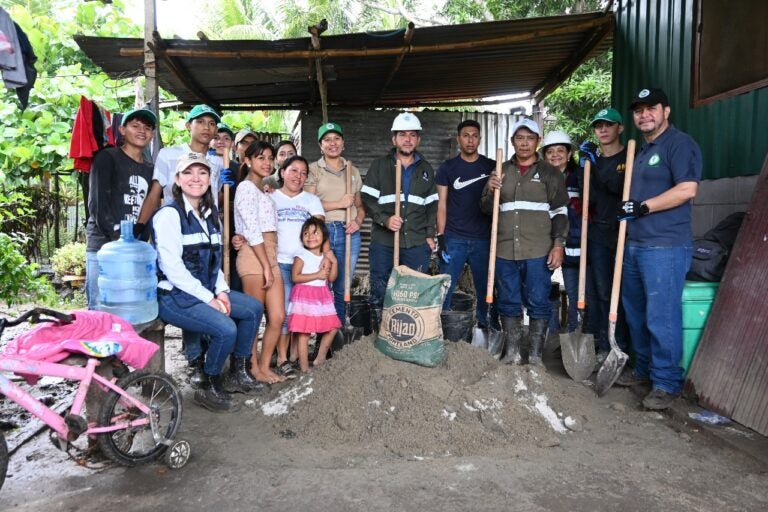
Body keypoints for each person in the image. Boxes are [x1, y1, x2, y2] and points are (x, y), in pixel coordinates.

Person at [152, 153, 266, 413]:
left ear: (209, 180)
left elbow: (214, 262)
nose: (196, 178)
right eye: (188, 173)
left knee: (252, 309)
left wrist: (222, 292)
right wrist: (210, 299)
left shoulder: (209, 214)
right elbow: (173, 269)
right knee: (226, 329)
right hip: (175, 296)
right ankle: (208, 382)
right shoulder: (169, 215)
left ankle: (239, 371)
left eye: (202, 173)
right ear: (178, 180)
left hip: (203, 291)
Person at [615, 88, 701, 410]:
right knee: (636, 313)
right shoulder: (641, 150)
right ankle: (644, 370)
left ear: (666, 111)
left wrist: (642, 208)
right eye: (638, 110)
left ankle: (666, 382)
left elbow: (687, 189)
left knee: (660, 315)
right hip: (635, 245)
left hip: (664, 246)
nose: (644, 115)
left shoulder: (680, 145)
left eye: (651, 108)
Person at [480, 118, 568, 367]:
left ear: (537, 142)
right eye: (520, 138)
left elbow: (560, 211)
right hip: (505, 249)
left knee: (539, 300)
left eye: (530, 138)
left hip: (538, 250)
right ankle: (512, 353)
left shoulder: (550, 174)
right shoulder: (501, 171)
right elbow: (486, 209)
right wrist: (489, 188)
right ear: (512, 142)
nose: (525, 143)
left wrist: (558, 244)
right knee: (507, 300)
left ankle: (536, 356)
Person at [361, 112, 437, 316]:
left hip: (416, 242)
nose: (408, 139)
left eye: (412, 134)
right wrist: (385, 219)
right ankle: (380, 333)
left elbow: (431, 206)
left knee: (414, 290)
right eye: (402, 134)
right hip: (384, 242)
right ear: (393, 138)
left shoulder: (426, 169)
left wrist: (430, 234)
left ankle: (407, 336)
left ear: (418, 139)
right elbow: (366, 199)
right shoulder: (379, 166)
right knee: (380, 286)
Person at [85, 108, 156, 310]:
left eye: (147, 128)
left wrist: (138, 242)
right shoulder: (107, 157)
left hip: (135, 249)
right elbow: (97, 205)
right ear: (122, 130)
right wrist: (118, 236)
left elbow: (151, 207)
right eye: (135, 126)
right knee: (101, 308)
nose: (142, 131)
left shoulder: (151, 169)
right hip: (103, 246)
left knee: (130, 308)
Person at [233, 141, 286, 384]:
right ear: (248, 161)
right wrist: (266, 265)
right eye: (260, 157)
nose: (267, 162)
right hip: (255, 255)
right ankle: (252, 368)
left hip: (269, 253)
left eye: (270, 158)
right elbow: (253, 231)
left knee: (277, 317)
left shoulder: (262, 189)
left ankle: (264, 366)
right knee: (254, 317)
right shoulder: (245, 188)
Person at [435, 119, 496, 328]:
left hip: (483, 239)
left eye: (475, 135)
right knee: (445, 287)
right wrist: (441, 236)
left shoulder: (491, 166)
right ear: (458, 138)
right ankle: (441, 328)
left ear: (480, 138)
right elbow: (441, 204)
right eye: (466, 135)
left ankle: (485, 325)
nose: (470, 140)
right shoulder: (448, 168)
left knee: (486, 287)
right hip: (454, 238)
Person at [305, 122, 365, 325]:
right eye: (327, 140)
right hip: (324, 232)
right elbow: (308, 205)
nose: (333, 143)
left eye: (336, 139)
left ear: (343, 143)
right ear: (320, 145)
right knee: (322, 282)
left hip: (350, 232)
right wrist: (339, 203)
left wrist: (358, 221)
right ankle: (320, 328)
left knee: (343, 285)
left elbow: (359, 206)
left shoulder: (353, 170)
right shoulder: (313, 170)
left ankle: (337, 327)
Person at [582, 108, 629, 361]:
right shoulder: (593, 162)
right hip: (599, 232)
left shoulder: (630, 157)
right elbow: (587, 197)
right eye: (598, 126)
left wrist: (596, 168)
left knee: (624, 293)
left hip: (624, 232)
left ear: (619, 128)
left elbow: (619, 188)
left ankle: (622, 343)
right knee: (601, 291)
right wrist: (584, 169)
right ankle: (605, 344)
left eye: (608, 125)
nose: (602, 130)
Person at [272, 155, 325, 377]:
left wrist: (327, 255)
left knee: (299, 310)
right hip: (279, 262)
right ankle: (282, 358)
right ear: (282, 172)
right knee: (282, 311)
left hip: (305, 265)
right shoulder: (270, 197)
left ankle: (294, 353)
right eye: (294, 171)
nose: (299, 176)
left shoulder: (311, 200)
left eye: (304, 173)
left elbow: (320, 230)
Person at [137, 104, 224, 230]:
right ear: (188, 126)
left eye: (211, 124)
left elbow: (217, 197)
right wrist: (140, 225)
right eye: (200, 122)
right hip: (175, 228)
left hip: (210, 230)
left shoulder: (218, 162)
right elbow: (154, 195)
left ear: (216, 130)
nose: (206, 127)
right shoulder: (168, 154)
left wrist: (227, 186)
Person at [541, 130, 592, 336]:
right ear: (544, 156)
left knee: (576, 293)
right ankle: (551, 334)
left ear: (569, 154)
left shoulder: (580, 177)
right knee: (542, 291)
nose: (555, 155)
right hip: (544, 243)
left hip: (575, 245)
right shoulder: (539, 179)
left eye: (560, 151)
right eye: (550, 151)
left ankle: (573, 335)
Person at [287, 217, 341, 372]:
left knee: (333, 326)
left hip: (322, 297)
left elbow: (331, 278)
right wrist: (316, 275)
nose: (310, 236)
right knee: (303, 333)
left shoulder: (325, 258)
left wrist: (334, 262)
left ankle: (320, 358)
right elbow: (295, 277)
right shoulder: (301, 255)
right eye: (306, 233)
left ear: (324, 237)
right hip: (304, 296)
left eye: (315, 233)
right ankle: (304, 368)